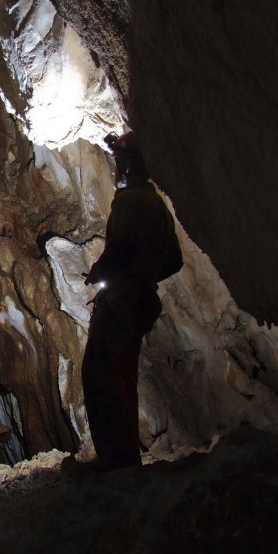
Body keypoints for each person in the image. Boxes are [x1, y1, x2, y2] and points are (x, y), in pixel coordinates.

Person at [80, 130, 183, 469]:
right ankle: (125, 457)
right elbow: (174, 261)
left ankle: (116, 459)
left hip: (121, 301)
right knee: (123, 374)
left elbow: (118, 249)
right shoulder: (157, 205)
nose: (114, 169)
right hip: (140, 302)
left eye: (118, 162)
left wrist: (99, 273)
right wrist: (144, 276)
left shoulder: (129, 200)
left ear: (128, 165)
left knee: (101, 374)